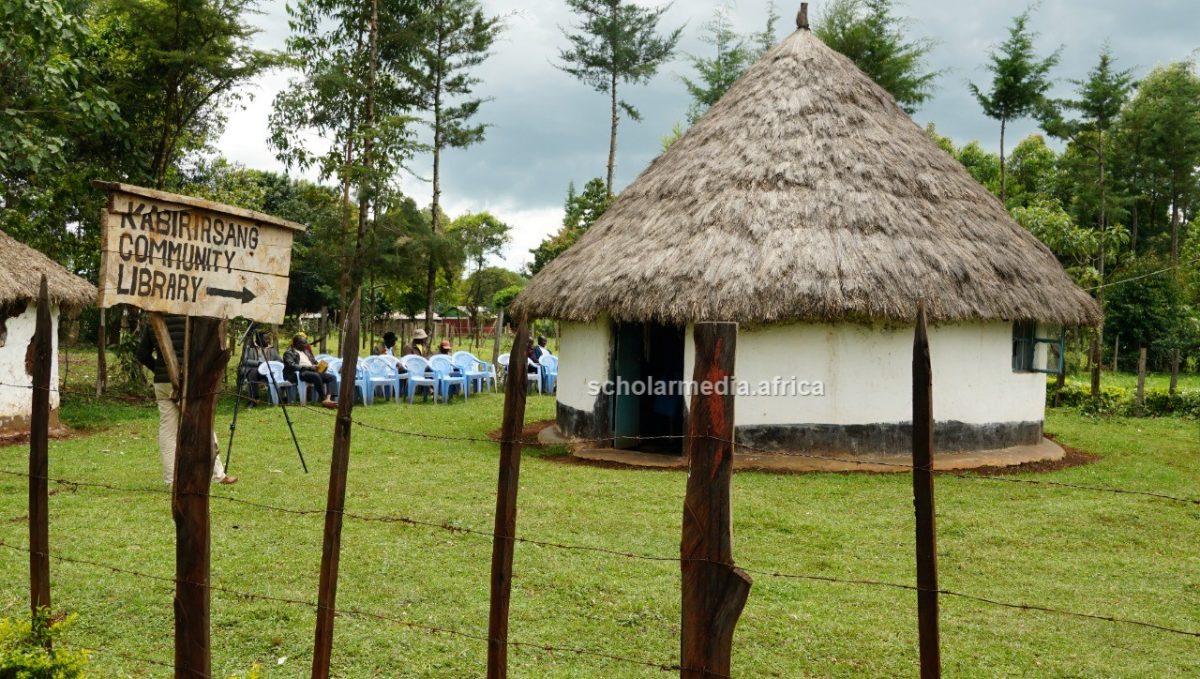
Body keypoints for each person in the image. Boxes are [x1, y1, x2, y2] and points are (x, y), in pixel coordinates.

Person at [136, 314, 237, 486]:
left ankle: (171, 480)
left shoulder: (155, 317)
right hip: (188, 380)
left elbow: (142, 354)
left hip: (162, 382)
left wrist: (160, 369)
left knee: (168, 432)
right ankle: (217, 474)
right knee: (203, 426)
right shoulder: (192, 317)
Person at [283, 335, 337, 408]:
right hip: (300, 373)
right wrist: (310, 367)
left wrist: (321, 366)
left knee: (332, 377)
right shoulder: (289, 353)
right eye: (304, 343)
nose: (306, 345)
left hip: (312, 371)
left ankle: (329, 399)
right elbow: (291, 366)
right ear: (297, 343)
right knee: (316, 376)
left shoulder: (306, 352)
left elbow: (314, 361)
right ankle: (323, 399)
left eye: (306, 343)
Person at [237, 330, 280, 406]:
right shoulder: (251, 348)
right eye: (266, 339)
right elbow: (245, 361)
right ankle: (254, 399)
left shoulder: (272, 349)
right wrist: (259, 363)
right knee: (252, 373)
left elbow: (279, 361)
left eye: (268, 339)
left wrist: (273, 365)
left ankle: (279, 398)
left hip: (269, 370)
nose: (268, 340)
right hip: (256, 369)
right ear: (258, 339)